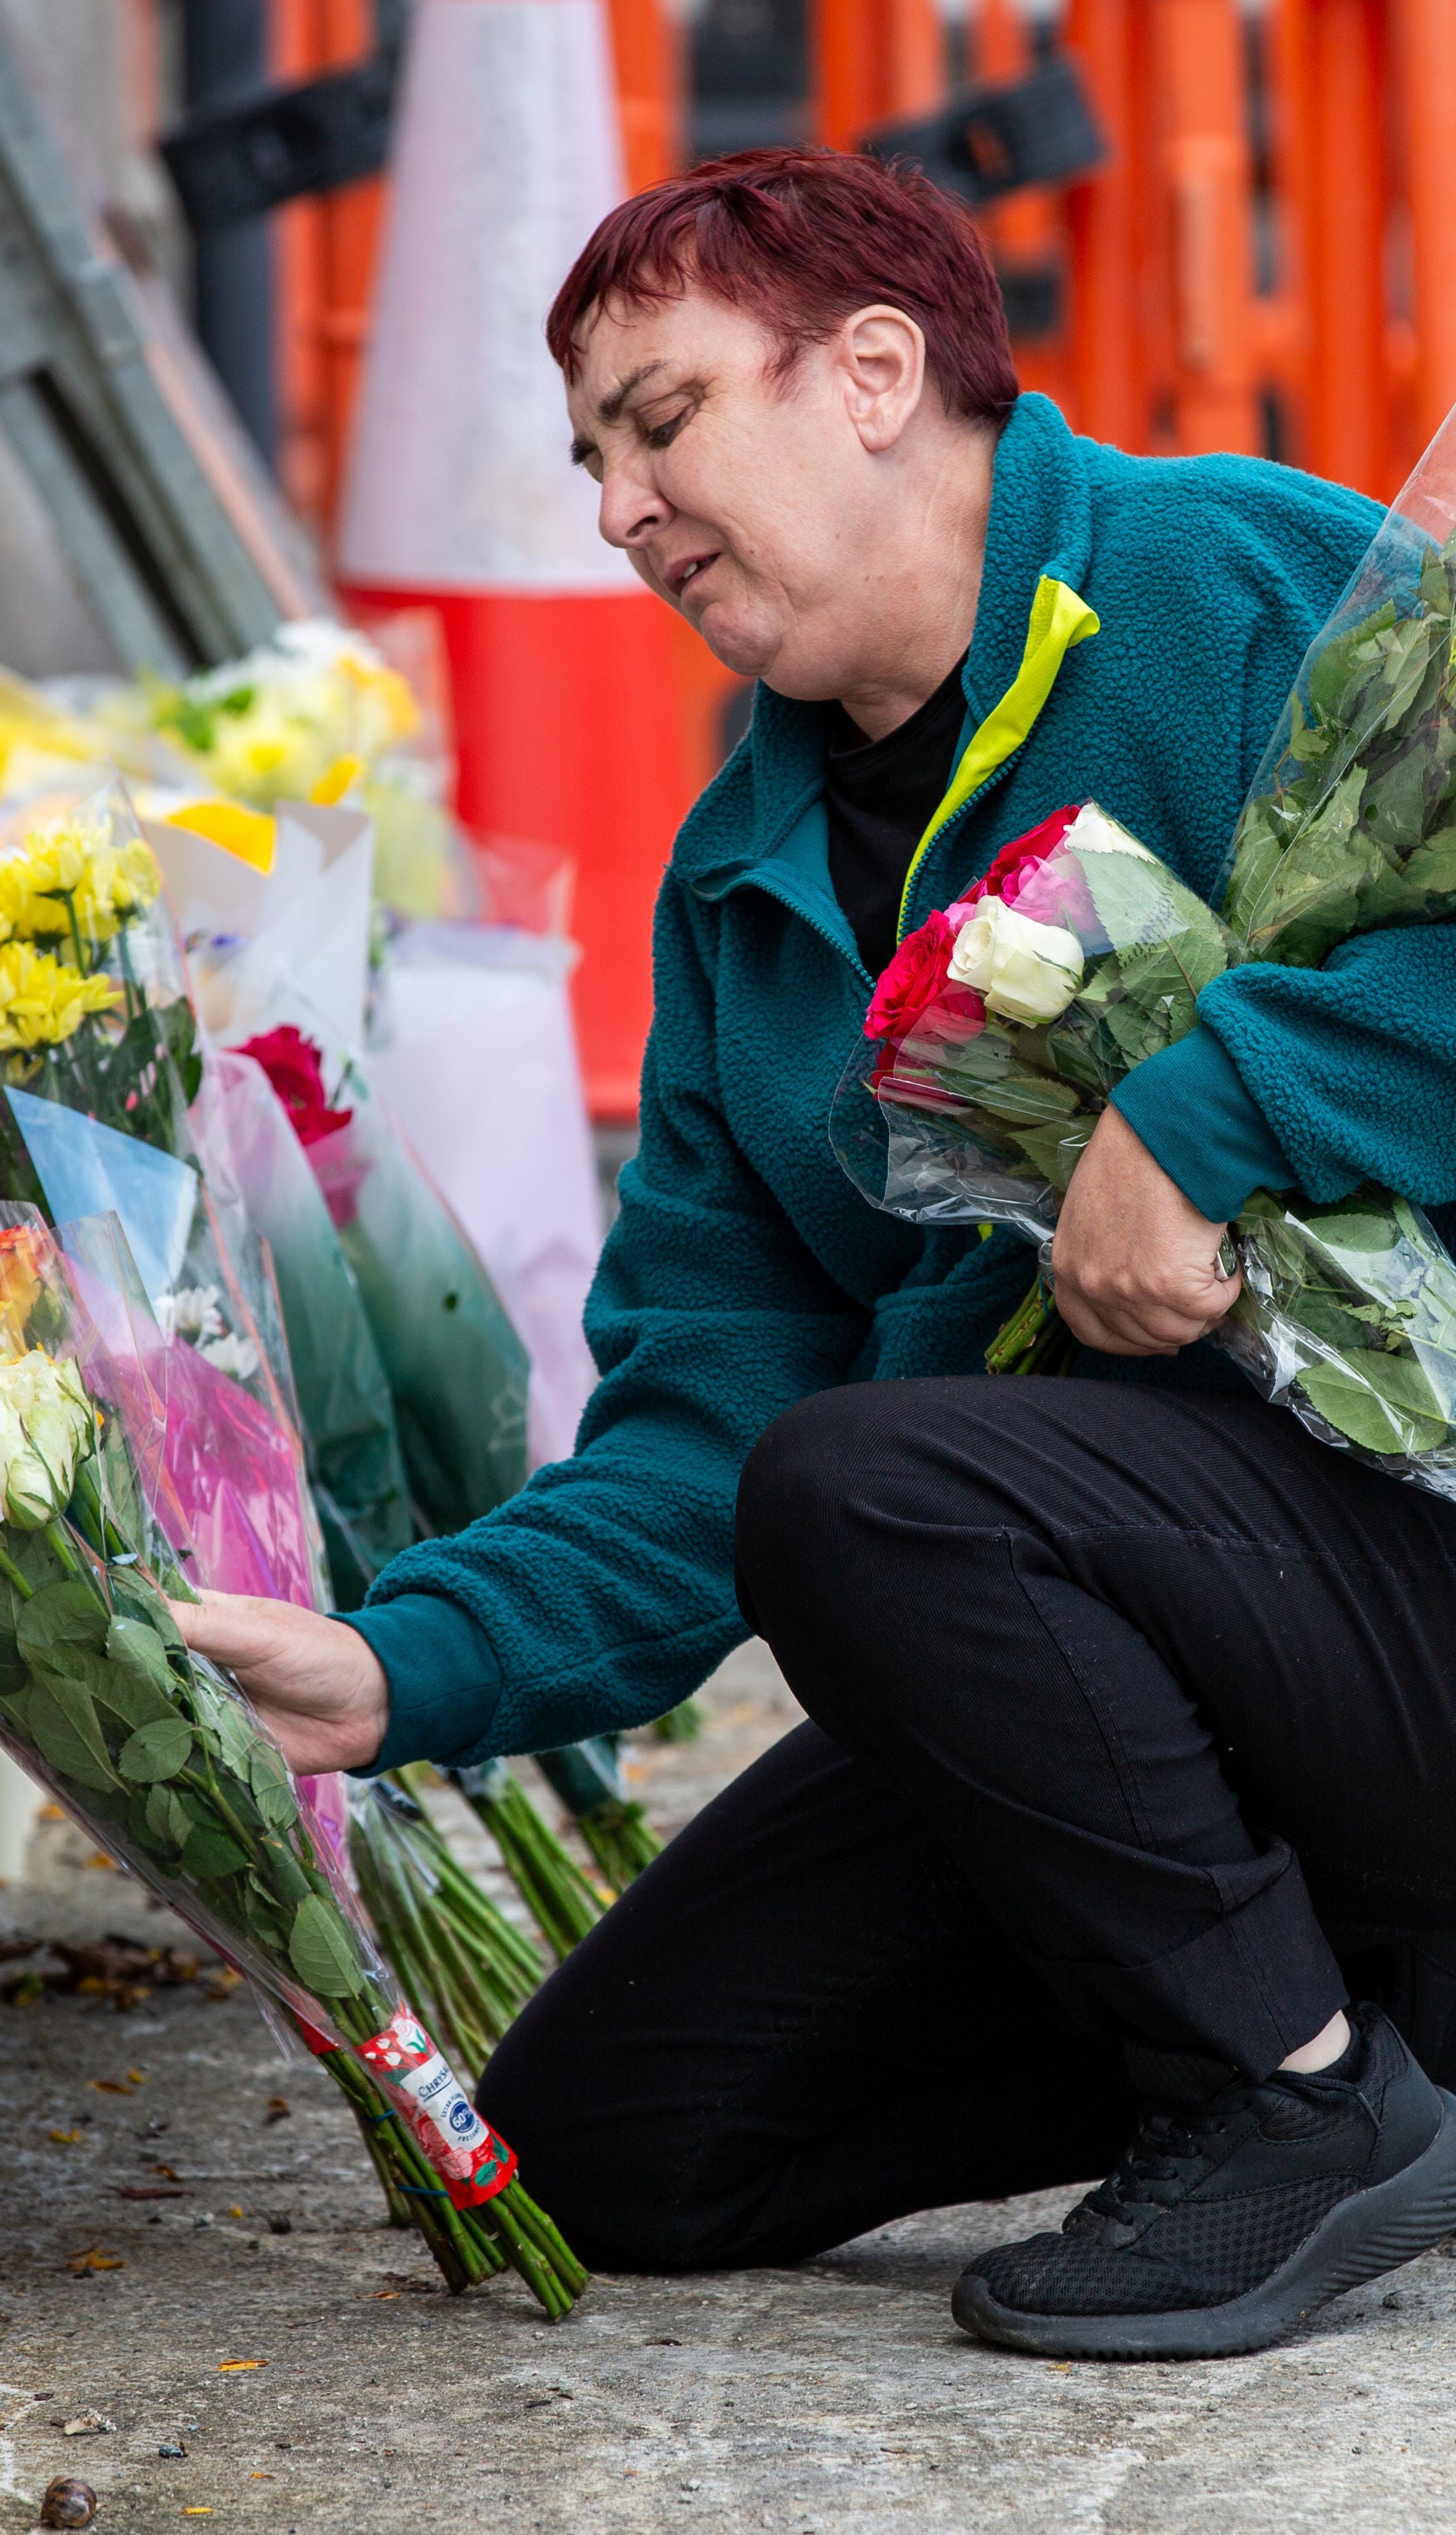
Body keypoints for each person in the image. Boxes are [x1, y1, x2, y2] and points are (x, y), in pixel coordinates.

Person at [179, 149, 1456, 2361]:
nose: (618, 511)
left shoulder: (1237, 581)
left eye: (660, 421)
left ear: (876, 373)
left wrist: (1205, 1108)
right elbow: (710, 1413)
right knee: (612, 2147)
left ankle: (1302, 2101)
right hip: (1133, 1642)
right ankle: (1367, 2020)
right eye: (591, 458)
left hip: (1413, 1559)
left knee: (872, 1483)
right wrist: (393, 1674)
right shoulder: (741, 882)